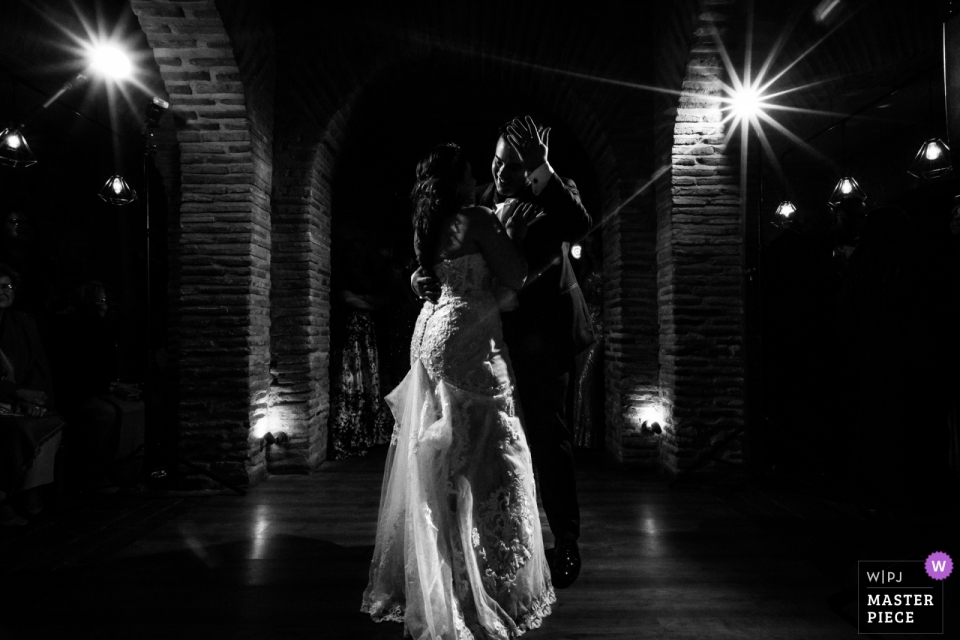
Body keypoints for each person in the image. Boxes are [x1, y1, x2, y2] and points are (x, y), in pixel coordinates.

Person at [362, 143, 554, 638]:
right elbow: (516, 275)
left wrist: (413, 278)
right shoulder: (479, 218)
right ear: (460, 181)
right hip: (470, 340)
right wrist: (511, 233)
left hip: (430, 335)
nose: (480, 180)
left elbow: (427, 275)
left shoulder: (430, 220)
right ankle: (485, 580)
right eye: (473, 173)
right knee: (488, 458)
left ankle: (435, 570)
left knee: (439, 463)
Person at [412, 116, 593, 589]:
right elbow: (451, 251)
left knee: (547, 435)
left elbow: (580, 224)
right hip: (488, 340)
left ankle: (565, 541)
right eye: (496, 164)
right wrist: (420, 278)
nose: (500, 176)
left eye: (513, 168)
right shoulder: (481, 206)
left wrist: (543, 170)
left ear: (532, 164)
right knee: (494, 444)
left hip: (542, 335)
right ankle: (498, 540)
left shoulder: (555, 191)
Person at [0, 263, 63, 522]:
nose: (3, 292)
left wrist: (35, 399)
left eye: (7, 286)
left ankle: (31, 494)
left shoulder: (22, 323)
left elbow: (38, 366)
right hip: (5, 399)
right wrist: (16, 394)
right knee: (17, 431)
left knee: (50, 423)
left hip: (20, 399)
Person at [328, 239, 394, 458]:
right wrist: (370, 304)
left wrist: (368, 301)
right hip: (351, 333)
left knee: (368, 377)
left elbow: (386, 298)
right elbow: (346, 298)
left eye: (360, 251)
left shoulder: (371, 275)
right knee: (351, 378)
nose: (357, 255)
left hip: (368, 334)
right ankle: (351, 432)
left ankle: (368, 430)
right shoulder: (342, 275)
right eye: (353, 251)